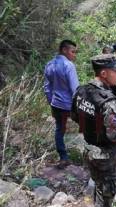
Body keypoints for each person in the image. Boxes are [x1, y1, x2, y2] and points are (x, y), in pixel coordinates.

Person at [71, 54, 116, 207]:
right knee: (108, 190)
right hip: (105, 154)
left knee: (98, 184)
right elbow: (113, 135)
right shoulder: (108, 102)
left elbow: (74, 116)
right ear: (104, 73)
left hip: (88, 148)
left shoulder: (82, 91)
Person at [44, 40, 79, 168]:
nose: (74, 55)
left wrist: (51, 101)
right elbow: (75, 89)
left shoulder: (49, 64)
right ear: (64, 50)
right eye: (72, 52)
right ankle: (94, 155)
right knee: (87, 126)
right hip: (69, 105)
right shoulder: (68, 65)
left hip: (56, 104)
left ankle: (63, 157)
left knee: (59, 130)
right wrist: (79, 105)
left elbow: (47, 87)